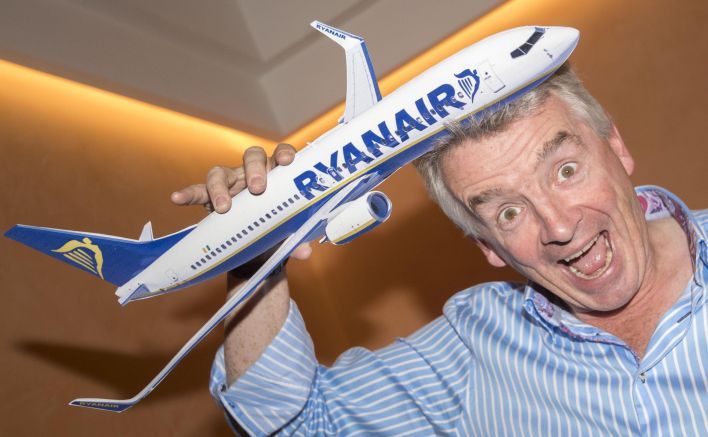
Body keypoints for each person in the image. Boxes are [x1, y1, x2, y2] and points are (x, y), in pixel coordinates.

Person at [171, 63, 707, 435]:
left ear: (616, 147)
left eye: (565, 171)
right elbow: (293, 426)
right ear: (487, 245)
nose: (560, 226)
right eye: (508, 212)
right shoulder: (474, 344)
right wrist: (253, 251)